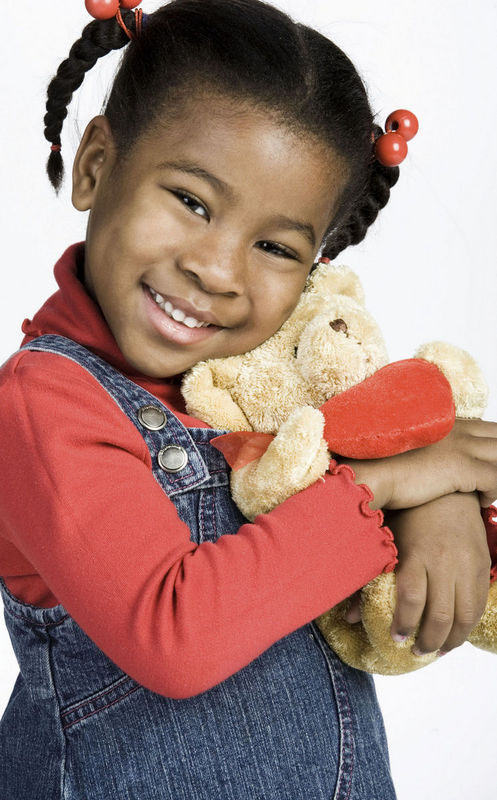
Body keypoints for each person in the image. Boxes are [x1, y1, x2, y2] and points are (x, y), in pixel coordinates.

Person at [0, 1, 496, 797]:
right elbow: (173, 635)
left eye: (274, 247)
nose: (218, 269)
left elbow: (360, 491)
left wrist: (434, 496)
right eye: (191, 201)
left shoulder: (269, 387)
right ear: (95, 166)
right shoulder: (44, 404)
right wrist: (381, 484)